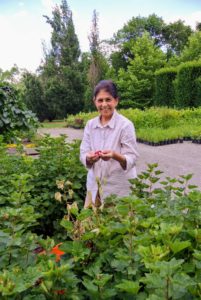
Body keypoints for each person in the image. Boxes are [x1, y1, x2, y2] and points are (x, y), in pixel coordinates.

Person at [80, 80, 139, 208]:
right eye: (100, 100)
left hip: (118, 189)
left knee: (117, 225)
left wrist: (114, 155)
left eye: (108, 99)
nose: (104, 104)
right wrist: (89, 158)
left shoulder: (125, 125)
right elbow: (83, 152)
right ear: (94, 101)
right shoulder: (90, 125)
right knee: (90, 224)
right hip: (94, 187)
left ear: (116, 101)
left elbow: (132, 158)